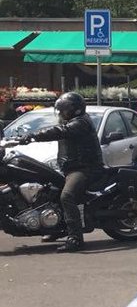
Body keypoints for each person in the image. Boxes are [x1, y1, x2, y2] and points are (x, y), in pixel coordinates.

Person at [19, 92, 104, 252]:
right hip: (70, 167)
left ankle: (75, 238)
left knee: (67, 196)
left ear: (75, 110)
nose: (61, 114)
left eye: (64, 110)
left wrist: (33, 136)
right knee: (50, 190)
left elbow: (60, 131)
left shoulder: (81, 122)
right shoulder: (72, 121)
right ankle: (56, 228)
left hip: (85, 168)